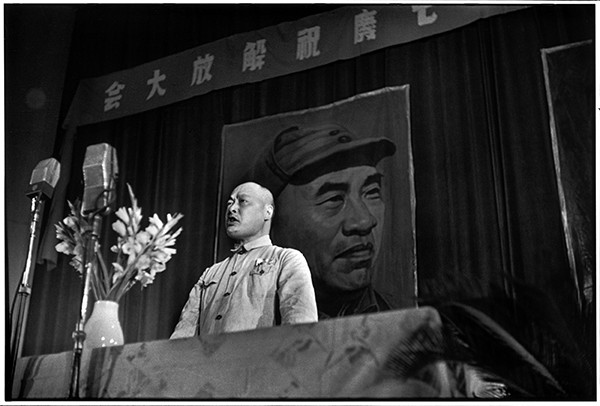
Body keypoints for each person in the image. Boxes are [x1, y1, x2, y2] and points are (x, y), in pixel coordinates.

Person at [249, 123, 398, 319]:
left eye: (371, 192)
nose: (364, 221)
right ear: (271, 224)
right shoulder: (244, 333)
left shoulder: (408, 320)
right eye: (334, 199)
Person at [170, 182, 318, 338]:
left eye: (243, 201)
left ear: (267, 212)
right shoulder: (210, 274)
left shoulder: (286, 259)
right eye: (229, 203)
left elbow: (301, 328)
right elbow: (182, 337)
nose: (232, 209)